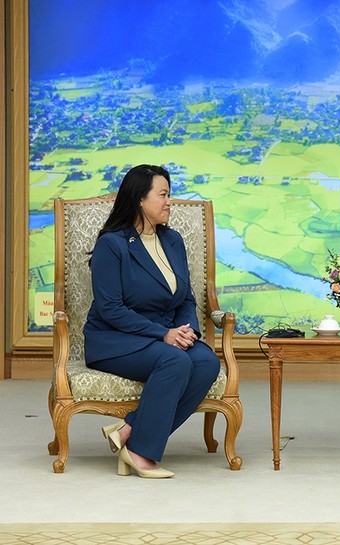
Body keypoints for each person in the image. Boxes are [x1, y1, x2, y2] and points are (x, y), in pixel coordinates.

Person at [84, 164, 220, 479]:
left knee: (206, 362)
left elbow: (185, 297)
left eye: (169, 194)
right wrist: (164, 335)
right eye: (162, 195)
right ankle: (143, 453)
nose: (169, 201)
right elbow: (110, 309)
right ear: (140, 200)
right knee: (175, 362)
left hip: (164, 335)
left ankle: (131, 432)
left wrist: (186, 332)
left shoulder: (172, 240)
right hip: (115, 339)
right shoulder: (112, 244)